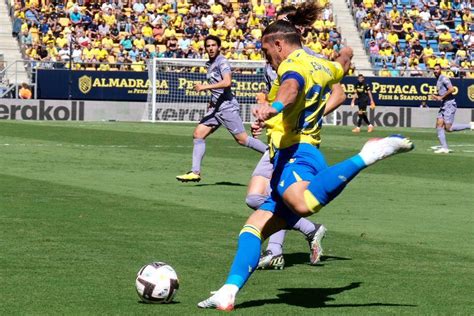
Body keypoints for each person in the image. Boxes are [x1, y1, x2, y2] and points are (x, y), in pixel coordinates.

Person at [197, 19, 414, 311]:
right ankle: (228, 291)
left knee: (303, 204)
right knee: (252, 229)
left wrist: (272, 107)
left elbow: (290, 89)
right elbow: (343, 63)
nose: (266, 57)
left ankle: (368, 154)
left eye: (265, 50)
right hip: (287, 155)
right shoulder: (324, 65)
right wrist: (347, 51)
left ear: (278, 44)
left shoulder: (291, 67)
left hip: (298, 155)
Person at [247, 2, 345, 270]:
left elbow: (339, 93)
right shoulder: (274, 56)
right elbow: (272, 93)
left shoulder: (309, 58)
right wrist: (266, 115)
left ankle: (277, 248)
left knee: (268, 197)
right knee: (257, 197)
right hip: (276, 138)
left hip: (295, 143)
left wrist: (309, 116)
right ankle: (306, 232)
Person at [176, 35, 268, 182]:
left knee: (242, 140)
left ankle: (273, 155)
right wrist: (212, 102)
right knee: (198, 135)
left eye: (213, 45)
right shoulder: (209, 64)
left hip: (227, 107)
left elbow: (227, 82)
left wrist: (205, 87)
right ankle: (195, 172)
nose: (211, 48)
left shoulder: (222, 61)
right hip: (216, 107)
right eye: (208, 46)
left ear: (219, 47)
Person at [430, 64, 473, 154]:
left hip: (449, 104)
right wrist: (437, 97)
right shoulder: (437, 79)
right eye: (434, 69)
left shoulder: (444, 78)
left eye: (437, 69)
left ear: (440, 70)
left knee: (448, 128)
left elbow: (452, 89)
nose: (435, 71)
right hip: (444, 104)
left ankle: (470, 125)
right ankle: (444, 148)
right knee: (439, 124)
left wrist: (441, 97)